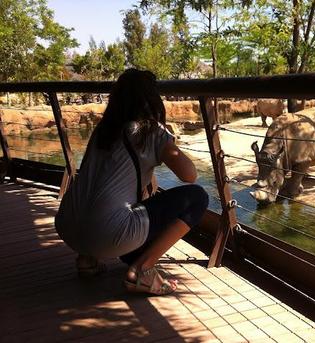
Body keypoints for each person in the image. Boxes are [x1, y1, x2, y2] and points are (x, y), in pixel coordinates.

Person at [55, 69, 209, 295]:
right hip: (107, 233)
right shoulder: (150, 132)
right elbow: (190, 175)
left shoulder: (103, 130)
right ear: (153, 99)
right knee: (198, 197)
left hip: (67, 227)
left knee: (100, 193)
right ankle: (141, 271)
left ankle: (87, 260)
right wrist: (166, 145)